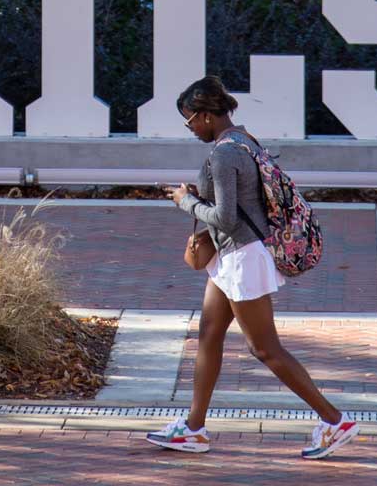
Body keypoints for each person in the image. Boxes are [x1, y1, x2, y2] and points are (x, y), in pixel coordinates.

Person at [145, 76, 361, 461]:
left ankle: (335, 421)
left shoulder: (224, 154)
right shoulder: (244, 140)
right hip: (229, 258)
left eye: (189, 120)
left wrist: (185, 202)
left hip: (242, 258)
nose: (190, 128)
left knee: (264, 348)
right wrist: (199, 197)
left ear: (207, 115)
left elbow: (227, 218)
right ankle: (193, 429)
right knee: (209, 334)